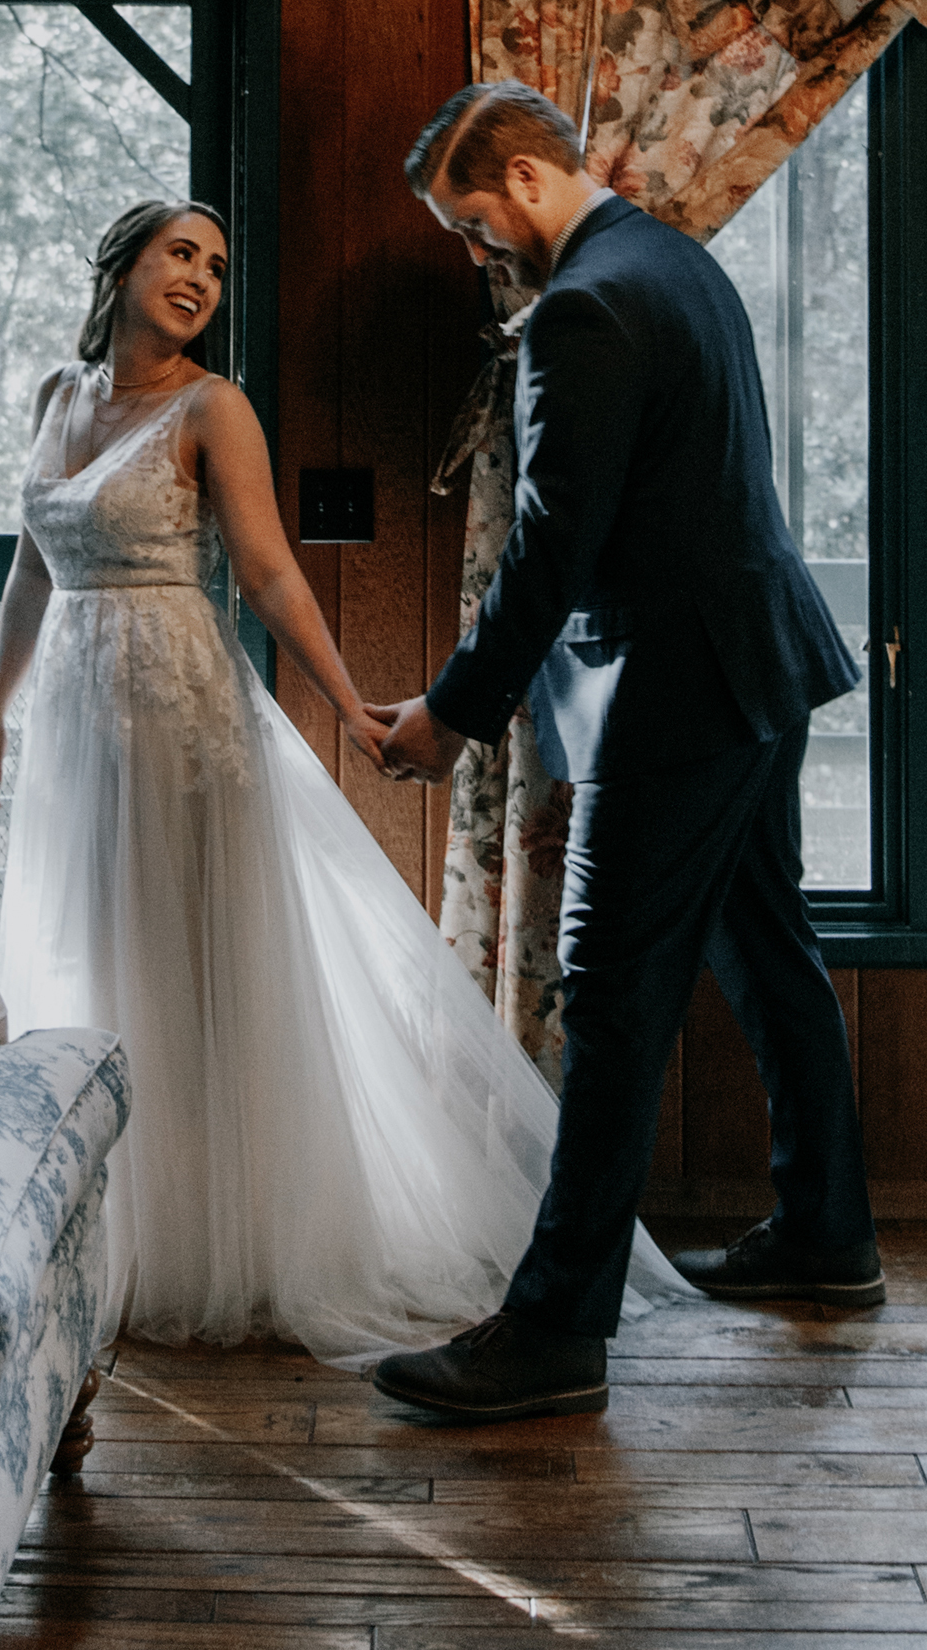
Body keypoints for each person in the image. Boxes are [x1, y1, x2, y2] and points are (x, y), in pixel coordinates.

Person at [0, 193, 692, 1362]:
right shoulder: (58, 398)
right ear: (122, 263)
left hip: (178, 714)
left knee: (189, 963)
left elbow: (268, 576)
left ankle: (222, 1236)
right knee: (91, 960)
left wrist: (350, 704)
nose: (200, 276)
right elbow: (28, 571)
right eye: (178, 253)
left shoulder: (215, 407)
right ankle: (114, 1225)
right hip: (73, 720)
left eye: (214, 261)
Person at [368, 84, 881, 1426]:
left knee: (604, 992)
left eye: (475, 225)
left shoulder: (584, 306)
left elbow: (553, 543)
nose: (479, 254)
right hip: (758, 659)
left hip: (678, 693)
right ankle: (828, 1231)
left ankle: (554, 1325)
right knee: (770, 947)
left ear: (528, 177)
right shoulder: (675, 259)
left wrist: (450, 708)